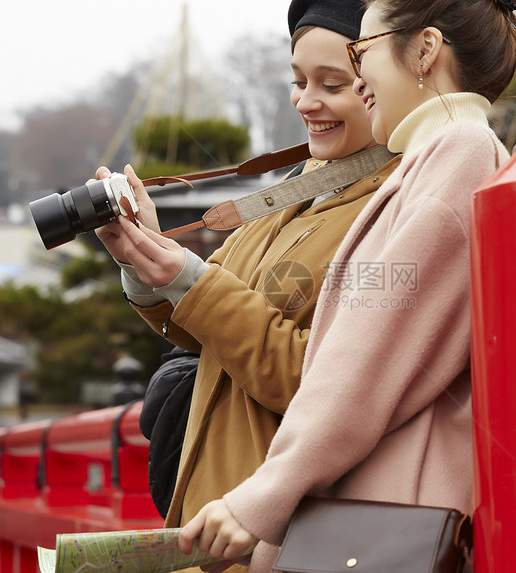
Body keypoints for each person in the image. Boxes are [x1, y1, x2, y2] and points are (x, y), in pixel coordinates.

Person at [177, 0, 516, 570]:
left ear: (426, 51)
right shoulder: (446, 157)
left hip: (384, 510)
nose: (361, 81)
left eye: (362, 54)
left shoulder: (458, 154)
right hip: (380, 510)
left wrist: (259, 500)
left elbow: (364, 359)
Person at [91, 0, 401, 556]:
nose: (306, 102)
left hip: (284, 530)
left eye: (333, 84)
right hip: (218, 511)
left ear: (382, 81)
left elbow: (332, 385)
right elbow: (206, 328)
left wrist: (192, 281)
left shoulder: (401, 205)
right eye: (298, 80)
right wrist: (146, 264)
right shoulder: (298, 187)